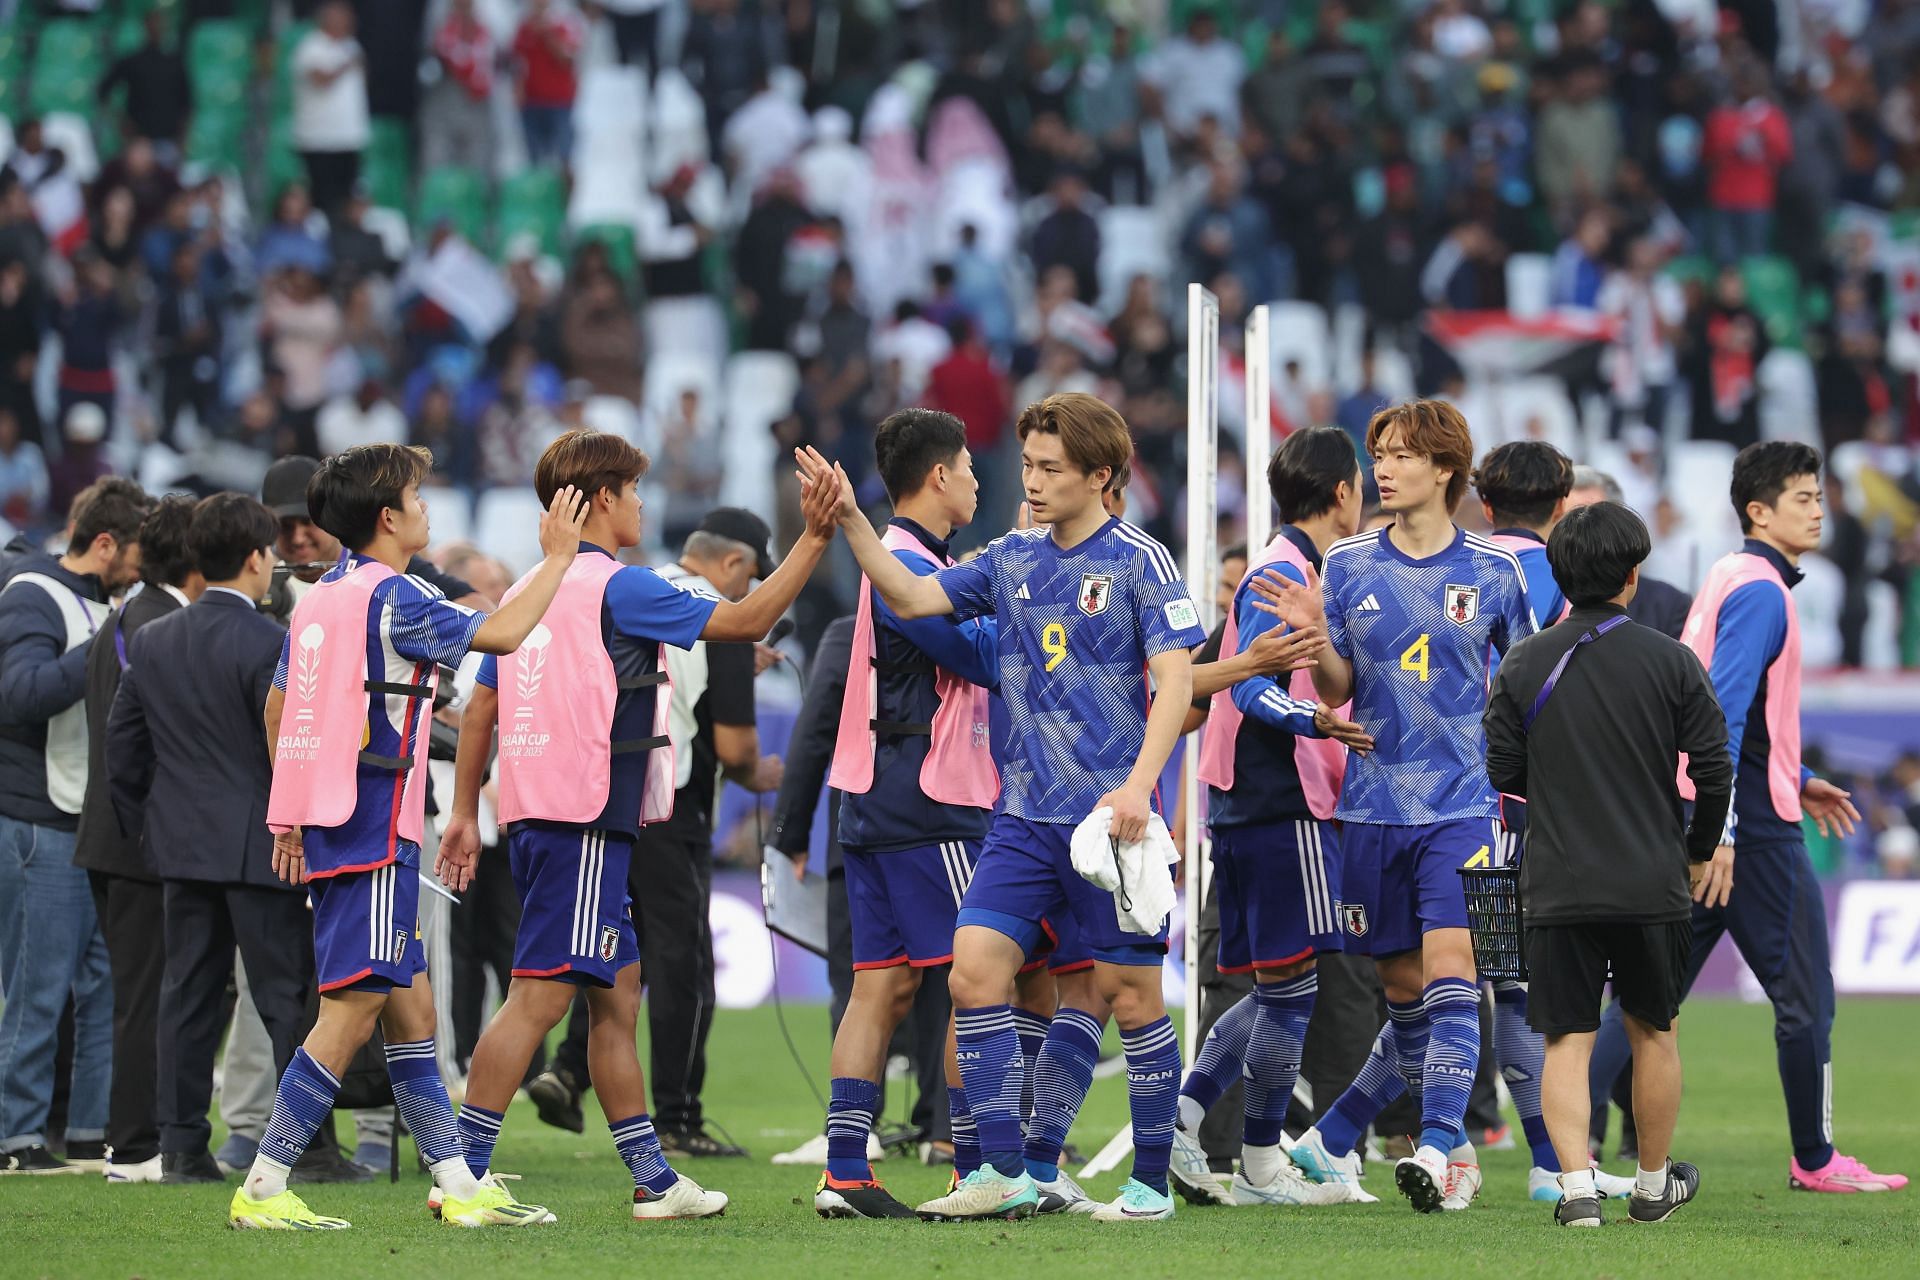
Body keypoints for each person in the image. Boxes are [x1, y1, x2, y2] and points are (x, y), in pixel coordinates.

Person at [799, 390, 1206, 1223]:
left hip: (1110, 823)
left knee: (1132, 997)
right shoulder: (1012, 558)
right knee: (974, 973)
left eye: (1050, 467)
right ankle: (1004, 1172)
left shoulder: (1141, 560)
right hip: (1021, 819)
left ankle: (1150, 1184)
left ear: (1100, 475)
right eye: (1027, 464)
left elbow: (1177, 682)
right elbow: (913, 601)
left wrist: (1138, 786)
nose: (1033, 479)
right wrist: (849, 522)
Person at [441, 430, 838, 1220]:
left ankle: (655, 1182)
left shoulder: (528, 585)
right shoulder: (618, 586)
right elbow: (750, 613)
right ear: (602, 502)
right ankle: (464, 1173)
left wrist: (462, 809)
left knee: (615, 996)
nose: (643, 504)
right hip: (585, 816)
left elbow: (481, 704)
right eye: (632, 491)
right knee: (538, 999)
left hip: (540, 813)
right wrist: (817, 536)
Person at [226, 444, 588, 1230]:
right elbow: (505, 635)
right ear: (388, 517)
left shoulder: (319, 597)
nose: (426, 508)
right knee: (352, 1010)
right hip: (376, 828)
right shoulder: (401, 598)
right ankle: (263, 1182)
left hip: (332, 821)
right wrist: (558, 558)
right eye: (418, 497)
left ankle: (457, 1185)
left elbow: (277, 711)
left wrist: (289, 811)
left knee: (411, 1011)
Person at [1259, 401, 1533, 1213]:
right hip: (1372, 808)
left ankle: (1443, 1142)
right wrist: (1317, 637)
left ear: (1445, 469)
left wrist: (1523, 799)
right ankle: (1338, 1136)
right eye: (1379, 452)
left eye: (1403, 453)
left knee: (1459, 972)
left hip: (1466, 804)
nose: (1383, 466)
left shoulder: (1495, 572)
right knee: (1405, 995)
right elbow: (1343, 690)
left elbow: (1522, 688)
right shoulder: (1345, 565)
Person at [1610, 443, 1905, 1195]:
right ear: (1758, 511)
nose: (1818, 508)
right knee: (1808, 995)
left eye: (1817, 495)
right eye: (1803, 497)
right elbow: (1720, 714)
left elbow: (1706, 702)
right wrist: (1729, 831)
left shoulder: (1726, 577)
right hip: (1749, 834)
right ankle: (1816, 1158)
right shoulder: (1763, 593)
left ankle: (1556, 1139)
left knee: (1653, 995)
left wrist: (1797, 776)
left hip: (1708, 812)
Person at [1483, 500, 1732, 1227]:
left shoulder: (1525, 662)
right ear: (1632, 575)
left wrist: (1561, 790)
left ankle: (1577, 1191)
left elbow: (1501, 766)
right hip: (1652, 878)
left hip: (1557, 879)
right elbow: (1713, 769)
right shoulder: (1670, 659)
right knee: (1655, 1029)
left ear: (1560, 574)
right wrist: (1697, 848)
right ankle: (1652, 1185)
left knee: (1567, 1035)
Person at [529, 508, 789, 1156]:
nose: (749, 591)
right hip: (672, 806)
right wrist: (765, 774)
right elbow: (735, 749)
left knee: (614, 954)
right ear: (733, 564)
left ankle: (567, 1067)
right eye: (752, 577)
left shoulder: (637, 589)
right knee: (683, 964)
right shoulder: (716, 617)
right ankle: (677, 1116)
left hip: (601, 798)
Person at [1168, 427, 1373, 1208]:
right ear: (1342, 493)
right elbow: (1252, 686)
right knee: (1294, 988)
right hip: (1279, 803)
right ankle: (1256, 1162)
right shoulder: (1281, 574)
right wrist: (1316, 722)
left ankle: (1189, 1126)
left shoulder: (1286, 567)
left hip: (1251, 804)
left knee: (1276, 988)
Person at [810, 409, 1000, 1218]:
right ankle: (973, 1168)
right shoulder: (903, 564)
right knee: (976, 981)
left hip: (875, 792)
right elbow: (979, 657)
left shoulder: (900, 559)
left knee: (879, 987)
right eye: (968, 468)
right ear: (937, 478)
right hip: (932, 794)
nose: (977, 482)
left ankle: (845, 1171)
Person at [105, 495, 312, 1186]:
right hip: (263, 846)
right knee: (285, 997)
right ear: (256, 560)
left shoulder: (155, 639)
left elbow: (122, 749)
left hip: (180, 847)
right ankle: (301, 1148)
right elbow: (291, 748)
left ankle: (184, 1148)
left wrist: (146, 823)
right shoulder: (271, 642)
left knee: (186, 996)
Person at [1470, 440, 1640, 1199]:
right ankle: (1340, 1135)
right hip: (1513, 809)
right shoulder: (1547, 579)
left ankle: (1547, 1161)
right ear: (1562, 502)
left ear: (1482, 501)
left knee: (1457, 981)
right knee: (1499, 981)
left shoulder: (1455, 559)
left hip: (1431, 795)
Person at [0, 476, 150, 1175]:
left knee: (104, 985)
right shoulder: (33, 594)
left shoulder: (106, 605)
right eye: (136, 552)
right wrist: (104, 643)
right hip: (40, 818)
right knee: (38, 983)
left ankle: (91, 1131)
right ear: (105, 542)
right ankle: (16, 1136)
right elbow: (19, 695)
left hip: (93, 820)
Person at [73, 496, 199, 1183]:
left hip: (117, 835)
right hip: (139, 842)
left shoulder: (133, 617)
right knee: (148, 994)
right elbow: (143, 749)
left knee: (143, 992)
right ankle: (136, 1145)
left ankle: (140, 1139)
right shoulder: (157, 624)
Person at [1564, 467, 1690, 639]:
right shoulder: (1535, 600)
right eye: (1567, 521)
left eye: (1593, 522)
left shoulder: (1668, 606)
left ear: (1619, 527)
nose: (1581, 534)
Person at [290, 2, 371, 217]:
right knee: (322, 199)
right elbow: (320, 80)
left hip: (348, 138)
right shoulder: (311, 46)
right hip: (319, 139)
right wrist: (344, 65)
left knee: (346, 198)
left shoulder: (351, 45)